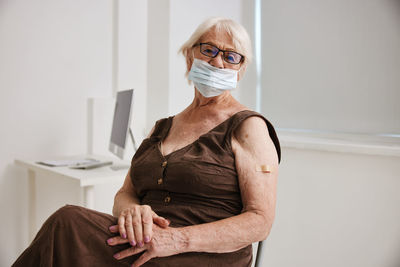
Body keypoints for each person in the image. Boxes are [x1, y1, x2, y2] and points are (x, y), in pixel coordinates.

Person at [12, 17, 281, 267]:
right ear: (190, 56)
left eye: (231, 56)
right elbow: (125, 193)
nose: (218, 63)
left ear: (240, 70)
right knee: (67, 224)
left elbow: (260, 221)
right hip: (144, 244)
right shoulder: (163, 127)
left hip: (201, 255)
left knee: (67, 225)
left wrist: (176, 239)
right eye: (209, 50)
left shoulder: (249, 127)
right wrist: (132, 211)